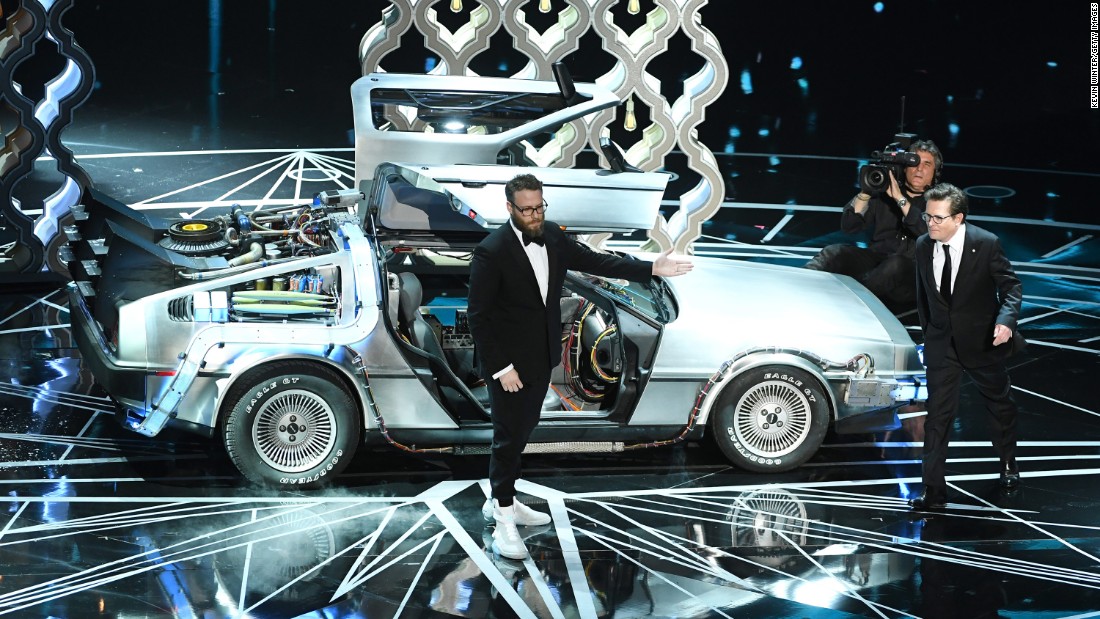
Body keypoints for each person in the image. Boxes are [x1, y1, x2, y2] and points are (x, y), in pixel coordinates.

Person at [467, 173, 693, 559]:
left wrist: (652, 267)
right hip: (508, 365)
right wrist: (502, 368)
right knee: (507, 437)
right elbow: (478, 317)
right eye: (527, 210)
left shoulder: (551, 235)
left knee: (524, 429)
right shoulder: (492, 251)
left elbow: (596, 261)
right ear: (509, 208)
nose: (535, 215)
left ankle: (504, 499)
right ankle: (503, 517)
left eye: (540, 207)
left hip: (542, 356)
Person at [908, 183, 1025, 510]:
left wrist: (1005, 322)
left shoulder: (985, 244)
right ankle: (932, 489)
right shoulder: (921, 245)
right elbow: (923, 296)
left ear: (958, 218)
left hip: (982, 341)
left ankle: (1007, 462)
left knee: (1001, 405)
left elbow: (1011, 288)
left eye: (938, 218)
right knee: (937, 417)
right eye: (927, 217)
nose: (930, 224)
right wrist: (929, 331)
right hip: (941, 344)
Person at [805, 139, 942, 312]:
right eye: (913, 163)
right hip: (877, 262)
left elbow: (928, 231)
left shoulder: (941, 199)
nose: (919, 169)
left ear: (935, 171)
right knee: (834, 252)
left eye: (927, 164)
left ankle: (849, 304)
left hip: (913, 273)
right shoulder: (884, 191)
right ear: (905, 167)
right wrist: (866, 190)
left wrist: (899, 198)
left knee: (896, 264)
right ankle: (800, 286)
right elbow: (850, 226)